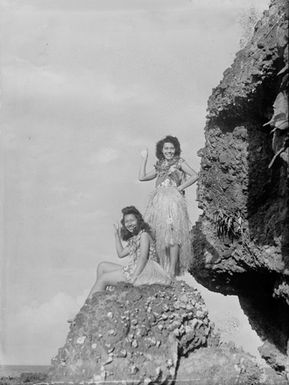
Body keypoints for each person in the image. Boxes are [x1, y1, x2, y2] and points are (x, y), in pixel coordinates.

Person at [139, 135, 198, 278]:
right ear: (162, 150)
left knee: (172, 234)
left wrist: (179, 188)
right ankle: (162, 268)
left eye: (172, 148)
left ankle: (171, 270)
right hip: (158, 202)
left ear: (175, 149)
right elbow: (142, 177)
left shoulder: (179, 162)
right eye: (166, 148)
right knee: (158, 234)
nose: (169, 151)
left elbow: (195, 175)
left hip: (172, 201)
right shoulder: (160, 164)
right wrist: (144, 159)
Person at [88, 206, 171, 297]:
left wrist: (134, 277)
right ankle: (99, 299)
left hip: (145, 269)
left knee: (103, 278)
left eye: (132, 220)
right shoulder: (135, 239)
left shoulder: (144, 235)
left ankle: (88, 305)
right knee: (102, 266)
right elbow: (121, 253)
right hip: (136, 267)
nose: (129, 224)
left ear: (138, 220)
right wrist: (116, 235)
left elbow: (143, 258)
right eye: (126, 222)